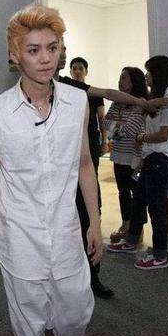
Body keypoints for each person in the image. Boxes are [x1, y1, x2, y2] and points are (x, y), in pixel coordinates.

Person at [0, 4, 102, 336]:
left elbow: (85, 165)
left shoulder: (77, 102)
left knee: (75, 313)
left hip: (66, 231)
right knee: (27, 320)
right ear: (14, 54)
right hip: (19, 235)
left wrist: (94, 223)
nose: (46, 58)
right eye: (33, 50)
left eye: (52, 47)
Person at [114, 56, 168, 270]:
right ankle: (131, 242)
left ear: (158, 73)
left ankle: (160, 256)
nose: (146, 76)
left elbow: (163, 135)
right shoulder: (155, 99)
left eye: (149, 72)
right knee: (138, 202)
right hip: (152, 159)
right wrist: (143, 157)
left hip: (162, 160)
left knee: (156, 209)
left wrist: (140, 138)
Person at [68, 56, 113, 299]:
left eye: (80, 68)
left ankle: (94, 278)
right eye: (73, 68)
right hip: (67, 162)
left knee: (90, 213)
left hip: (89, 155)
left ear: (86, 71)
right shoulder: (63, 90)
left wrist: (105, 140)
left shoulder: (91, 94)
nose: (76, 71)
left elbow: (103, 116)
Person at [102, 67, 148, 247]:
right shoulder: (117, 103)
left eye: (124, 78)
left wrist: (116, 127)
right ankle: (126, 224)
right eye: (120, 77)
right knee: (123, 193)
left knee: (137, 194)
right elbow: (105, 122)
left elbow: (131, 129)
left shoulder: (141, 103)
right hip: (119, 155)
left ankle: (137, 230)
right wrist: (120, 126)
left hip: (135, 157)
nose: (120, 81)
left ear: (134, 81)